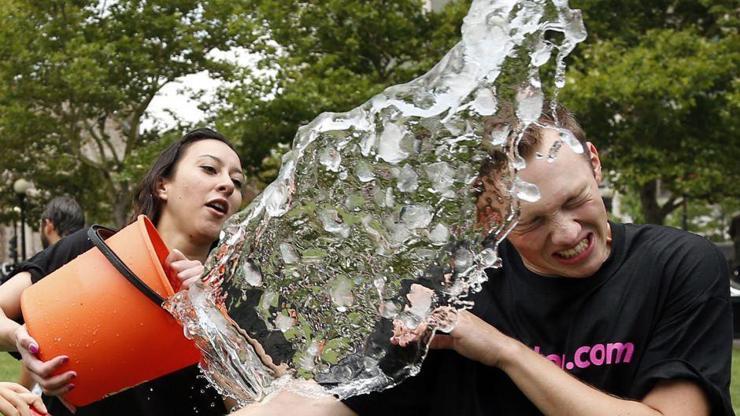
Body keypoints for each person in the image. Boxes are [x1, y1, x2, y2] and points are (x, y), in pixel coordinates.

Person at [232, 105, 734, 415]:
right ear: (489, 218)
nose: (568, 233)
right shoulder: (454, 291)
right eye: (533, 222)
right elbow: (334, 405)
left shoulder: (679, 265)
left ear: (594, 162)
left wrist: (505, 352)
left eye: (576, 199)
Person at [0, 128, 245, 416]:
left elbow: (259, 404)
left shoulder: (237, 301)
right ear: (162, 185)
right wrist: (22, 338)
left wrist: (210, 319)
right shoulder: (93, 251)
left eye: (237, 181)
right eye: (209, 169)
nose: (227, 184)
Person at [5, 195, 85, 390]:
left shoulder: (47, 266)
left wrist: (24, 394)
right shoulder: (91, 252)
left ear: (48, 225)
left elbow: (33, 344)